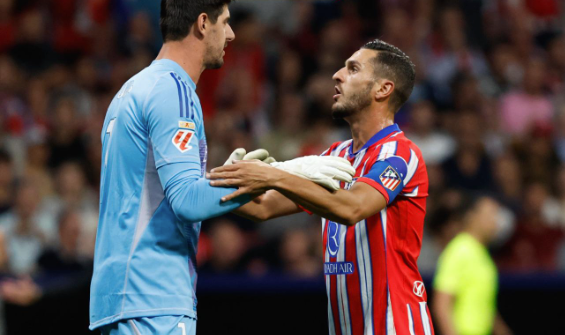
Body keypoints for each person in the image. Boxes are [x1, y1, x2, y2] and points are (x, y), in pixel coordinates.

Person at [89, 1, 350, 334]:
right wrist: (287, 173)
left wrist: (229, 175)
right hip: (153, 299)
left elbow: (160, 194)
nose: (231, 34)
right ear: (202, 23)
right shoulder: (174, 91)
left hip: (120, 300)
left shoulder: (131, 91)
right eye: (224, 23)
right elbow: (186, 201)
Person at [210, 39, 434, 335]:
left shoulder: (400, 154)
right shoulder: (336, 156)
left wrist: (274, 175)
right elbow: (262, 207)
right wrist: (229, 178)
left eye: (353, 69)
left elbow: (352, 207)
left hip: (396, 326)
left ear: (383, 89)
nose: (337, 75)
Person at [432, 196, 513, 335]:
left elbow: (485, 307)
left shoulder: (482, 253)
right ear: (471, 217)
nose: (496, 221)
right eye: (490, 214)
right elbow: (441, 306)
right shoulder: (459, 249)